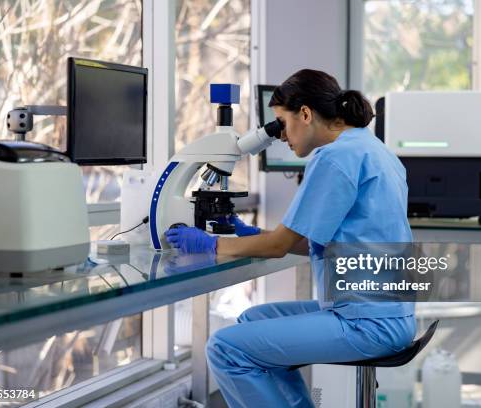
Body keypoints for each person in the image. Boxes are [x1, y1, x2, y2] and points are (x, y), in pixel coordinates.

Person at [165, 69, 415, 408]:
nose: (281, 135)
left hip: (366, 322)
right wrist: (253, 233)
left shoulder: (334, 157)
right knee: (254, 319)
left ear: (306, 114)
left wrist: (211, 244)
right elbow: (310, 240)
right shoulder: (371, 147)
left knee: (224, 348)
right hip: (385, 311)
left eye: (282, 122)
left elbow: (279, 247)